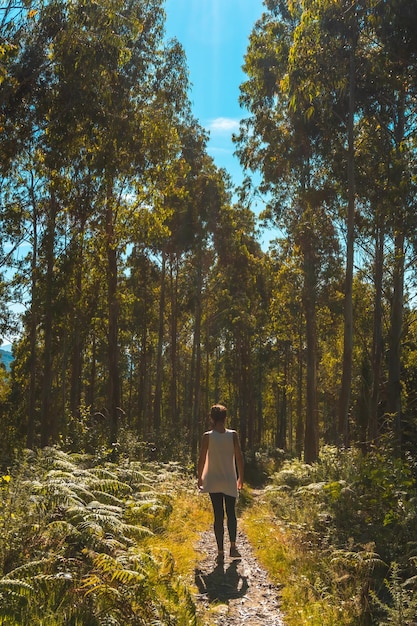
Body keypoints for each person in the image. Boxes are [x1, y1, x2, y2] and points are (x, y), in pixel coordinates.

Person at [197, 404, 244, 561]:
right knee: (231, 513)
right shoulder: (233, 435)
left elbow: (202, 458)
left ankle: (220, 552)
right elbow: (239, 457)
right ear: (225, 418)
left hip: (213, 479)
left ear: (211, 418)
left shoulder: (208, 437)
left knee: (218, 515)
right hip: (229, 479)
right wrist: (241, 477)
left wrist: (200, 477)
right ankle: (233, 547)